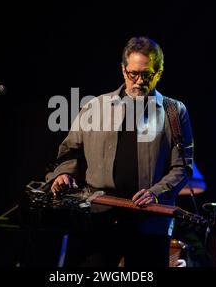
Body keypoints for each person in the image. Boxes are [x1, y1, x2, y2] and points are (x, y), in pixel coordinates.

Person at [46, 36, 194, 267]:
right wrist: (63, 175)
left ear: (159, 72)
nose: (139, 81)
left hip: (149, 224)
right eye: (133, 73)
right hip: (98, 220)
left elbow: (182, 167)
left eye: (147, 74)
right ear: (123, 70)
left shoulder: (174, 111)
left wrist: (155, 192)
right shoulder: (95, 107)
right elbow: (70, 154)